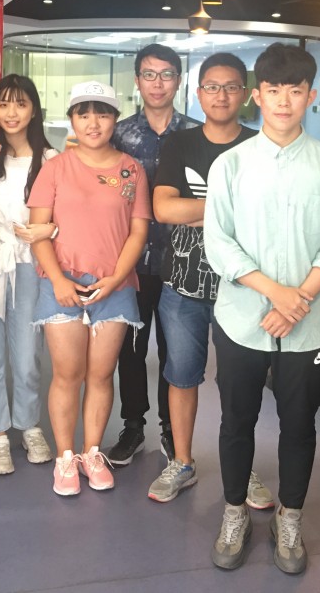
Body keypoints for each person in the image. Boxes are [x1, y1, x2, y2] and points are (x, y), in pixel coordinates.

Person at [204, 42, 320, 574]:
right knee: (236, 421)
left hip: (306, 325)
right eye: (273, 90)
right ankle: (234, 511)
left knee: (300, 424)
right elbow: (219, 243)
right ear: (257, 96)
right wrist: (277, 293)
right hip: (242, 319)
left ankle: (290, 518)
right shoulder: (230, 164)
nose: (284, 101)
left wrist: (297, 301)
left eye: (295, 90)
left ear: (311, 96)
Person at [146, 52, 272, 510]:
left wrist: (198, 211)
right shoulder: (180, 144)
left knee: (241, 383)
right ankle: (182, 461)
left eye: (231, 87)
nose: (221, 96)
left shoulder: (261, 146)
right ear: (198, 94)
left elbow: (268, 215)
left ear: (246, 94)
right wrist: (228, 209)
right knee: (181, 376)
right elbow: (164, 209)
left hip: (245, 286)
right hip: (183, 284)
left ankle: (242, 465)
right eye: (212, 87)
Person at [28, 81, 151, 496]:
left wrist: (116, 278)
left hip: (114, 286)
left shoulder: (132, 169)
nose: (93, 122)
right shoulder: (55, 167)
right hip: (61, 283)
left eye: (102, 113)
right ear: (72, 120)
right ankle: (66, 457)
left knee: (101, 374)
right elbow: (38, 231)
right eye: (83, 114)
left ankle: (92, 452)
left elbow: (138, 231)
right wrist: (59, 280)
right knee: (67, 374)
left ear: (115, 119)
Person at [106, 43, 199, 465]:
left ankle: (170, 428)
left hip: (184, 262)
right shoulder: (119, 134)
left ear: (178, 80)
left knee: (175, 351)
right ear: (137, 81)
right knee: (130, 348)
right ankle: (132, 426)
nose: (157, 83)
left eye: (166, 74)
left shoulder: (196, 134)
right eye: (149, 74)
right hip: (131, 261)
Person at [0, 74, 57, 474]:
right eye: (3, 104)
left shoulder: (51, 159)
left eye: (20, 104)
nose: (11, 113)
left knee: (27, 356)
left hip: (30, 264)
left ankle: (29, 424)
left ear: (34, 110)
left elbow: (66, 216)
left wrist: (49, 230)